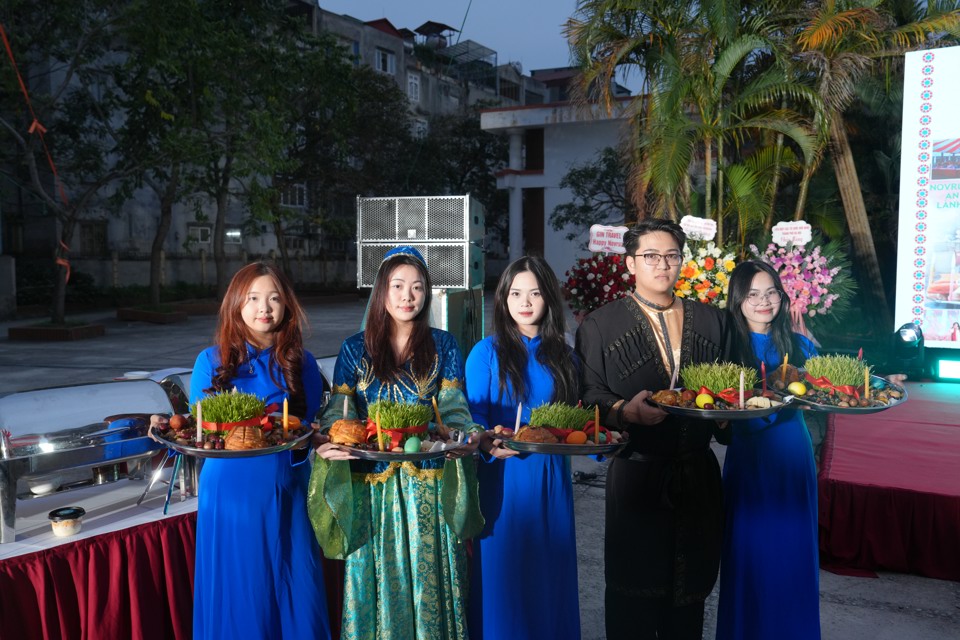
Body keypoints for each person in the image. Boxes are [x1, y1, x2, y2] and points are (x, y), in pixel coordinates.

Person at [308, 246, 484, 640]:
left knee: (429, 583)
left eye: (418, 288)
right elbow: (339, 413)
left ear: (427, 295)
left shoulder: (444, 345)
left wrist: (463, 437)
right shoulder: (356, 348)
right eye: (398, 286)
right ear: (381, 293)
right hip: (374, 488)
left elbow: (453, 409)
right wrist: (328, 440)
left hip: (429, 487)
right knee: (377, 577)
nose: (408, 296)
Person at [575, 218, 726, 640]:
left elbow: (735, 394)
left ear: (682, 261)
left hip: (697, 477)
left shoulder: (713, 321)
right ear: (629, 264)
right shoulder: (600, 326)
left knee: (688, 603)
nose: (663, 265)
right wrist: (624, 411)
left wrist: (732, 412)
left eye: (672, 255)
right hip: (637, 478)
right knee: (632, 600)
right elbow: (586, 397)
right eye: (651, 256)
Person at [188, 262, 331, 639]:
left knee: (293, 585)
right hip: (229, 497)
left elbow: (305, 430)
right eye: (252, 298)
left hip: (288, 491)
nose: (263, 307)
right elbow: (202, 433)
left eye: (273, 298)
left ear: (287, 305)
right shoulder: (210, 362)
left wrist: (315, 440)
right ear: (236, 303)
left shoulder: (303, 363)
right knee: (239, 590)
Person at [465, 256, 581, 640]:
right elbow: (474, 415)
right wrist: (486, 439)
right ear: (503, 299)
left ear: (548, 298)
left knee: (548, 579)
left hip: (550, 481)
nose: (525, 302)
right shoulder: (485, 352)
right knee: (504, 584)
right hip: (501, 479)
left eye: (534, 292)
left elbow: (576, 421)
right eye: (515, 293)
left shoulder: (564, 356)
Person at [715, 260, 820, 640]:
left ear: (782, 295)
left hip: (793, 455)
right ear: (738, 300)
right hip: (751, 461)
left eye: (771, 292)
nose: (764, 301)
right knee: (752, 557)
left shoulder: (801, 344)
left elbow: (824, 391)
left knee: (793, 556)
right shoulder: (726, 350)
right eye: (753, 294)